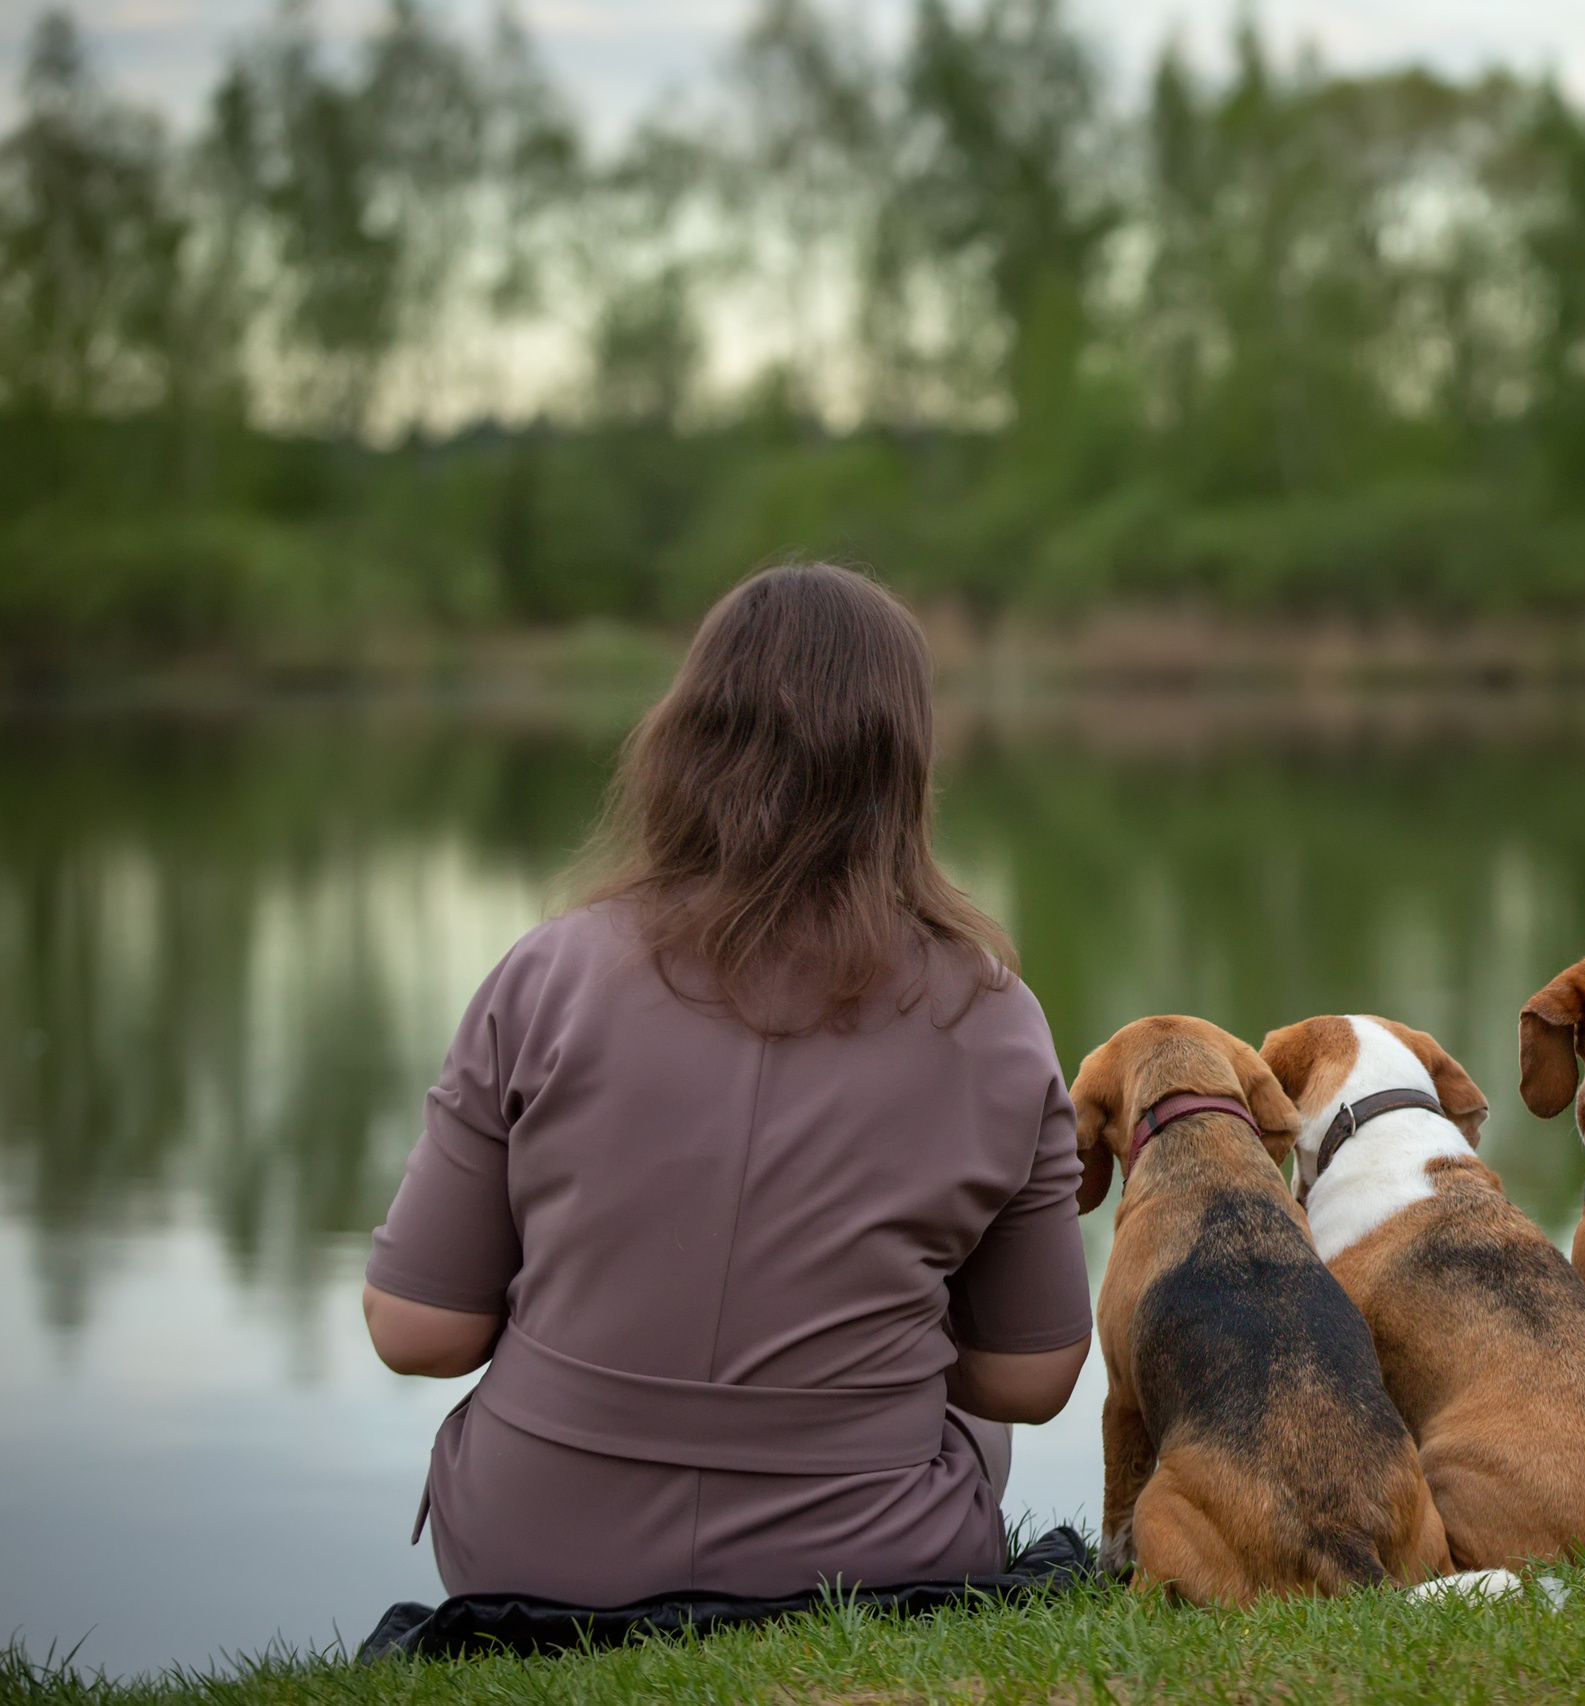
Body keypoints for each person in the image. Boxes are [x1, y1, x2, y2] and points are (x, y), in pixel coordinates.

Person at [360, 564, 1092, 1604]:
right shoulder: (993, 1016)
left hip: (539, 1550)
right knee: (962, 1405)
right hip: (876, 1551)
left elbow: (417, 1330)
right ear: (904, 763)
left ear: (684, 737)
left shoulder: (549, 970)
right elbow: (1028, 1377)